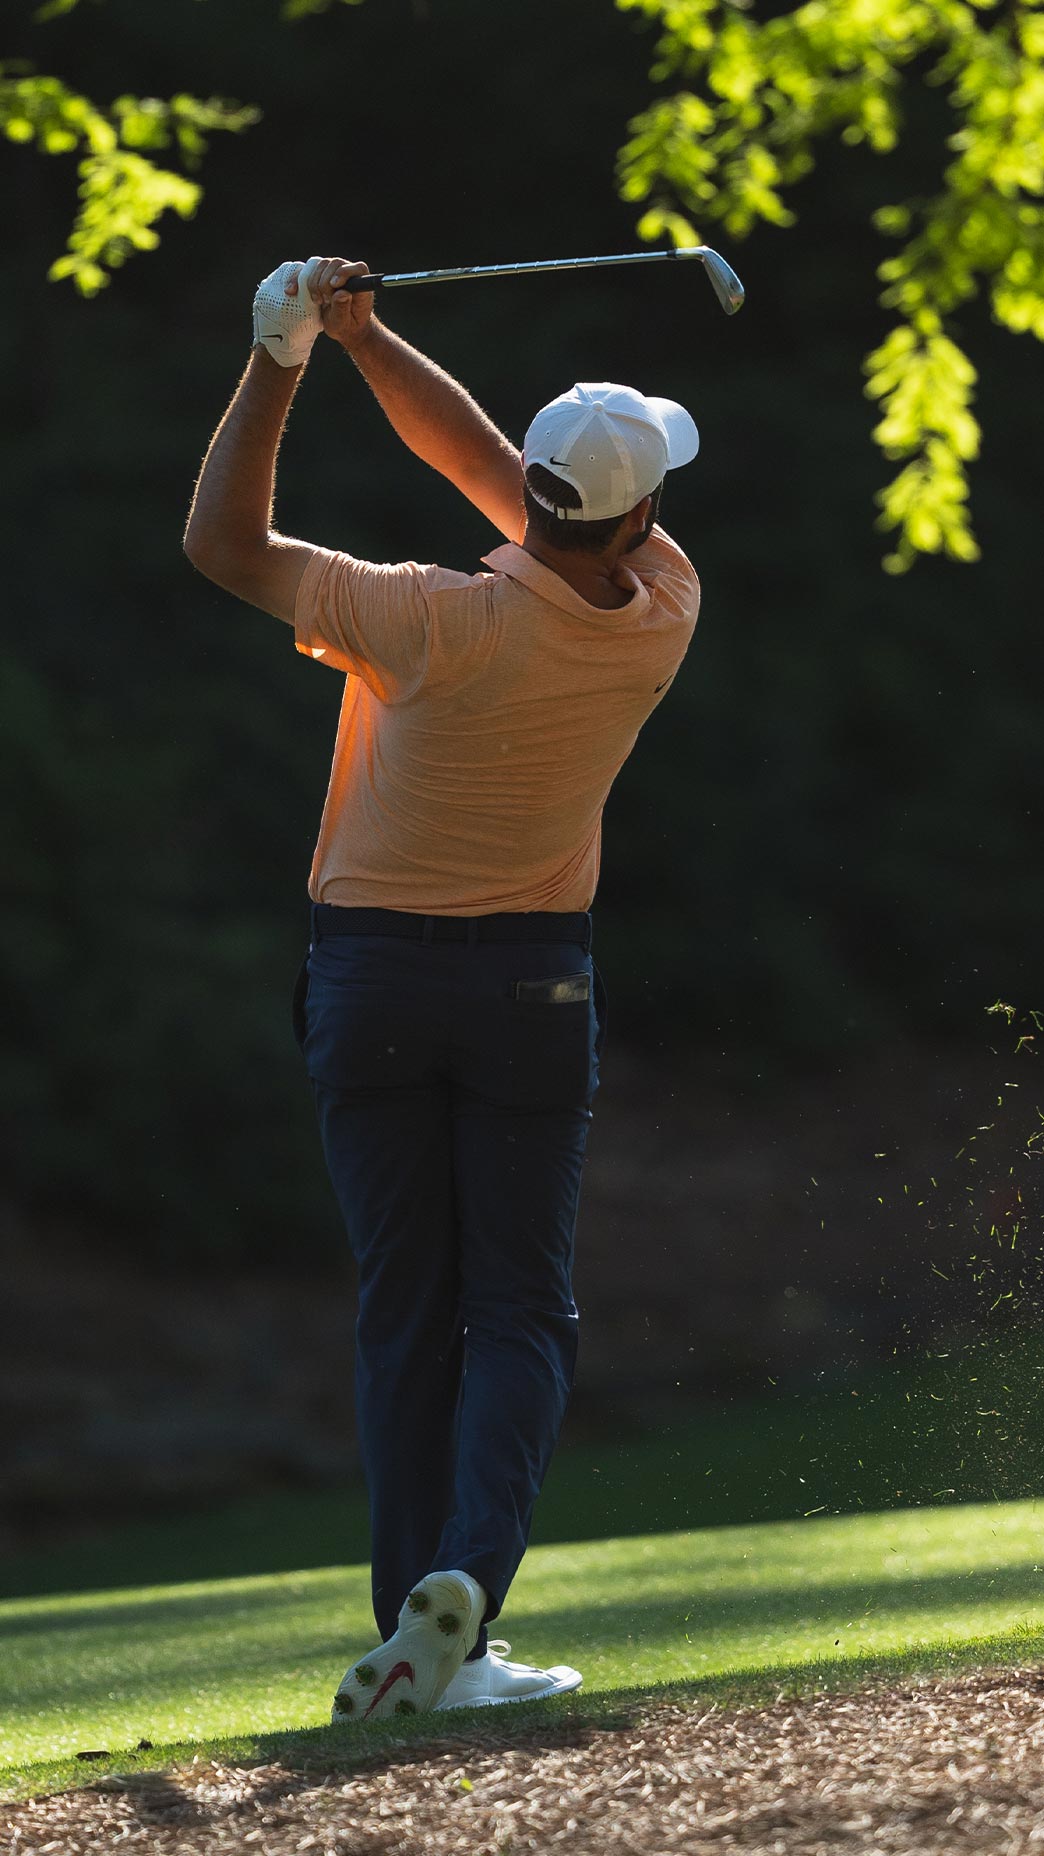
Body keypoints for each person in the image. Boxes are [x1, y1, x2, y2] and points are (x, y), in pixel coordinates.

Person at [184, 255, 702, 1723]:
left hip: (371, 984)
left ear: (537, 500)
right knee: (521, 1311)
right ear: (636, 512)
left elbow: (225, 543)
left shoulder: (424, 621)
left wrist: (286, 356)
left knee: (405, 1313)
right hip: (535, 987)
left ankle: (424, 1622)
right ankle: (466, 1594)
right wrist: (363, 335)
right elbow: (488, 468)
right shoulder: (664, 600)